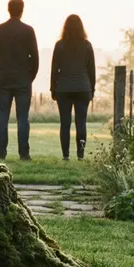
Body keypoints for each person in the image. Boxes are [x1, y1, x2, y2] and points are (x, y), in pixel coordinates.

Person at [0, 0, 39, 161]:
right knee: (23, 117)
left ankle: (1, 152)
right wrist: (30, 76)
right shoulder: (28, 30)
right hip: (23, 79)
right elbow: (35, 58)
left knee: (2, 116)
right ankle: (24, 153)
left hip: (4, 79)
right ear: (22, 10)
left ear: (8, 9)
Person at [49, 14, 96, 160]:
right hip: (83, 87)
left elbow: (54, 69)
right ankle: (80, 155)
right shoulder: (87, 45)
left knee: (65, 123)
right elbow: (91, 70)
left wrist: (53, 88)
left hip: (63, 88)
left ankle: (66, 155)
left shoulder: (60, 45)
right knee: (81, 122)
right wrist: (92, 89)